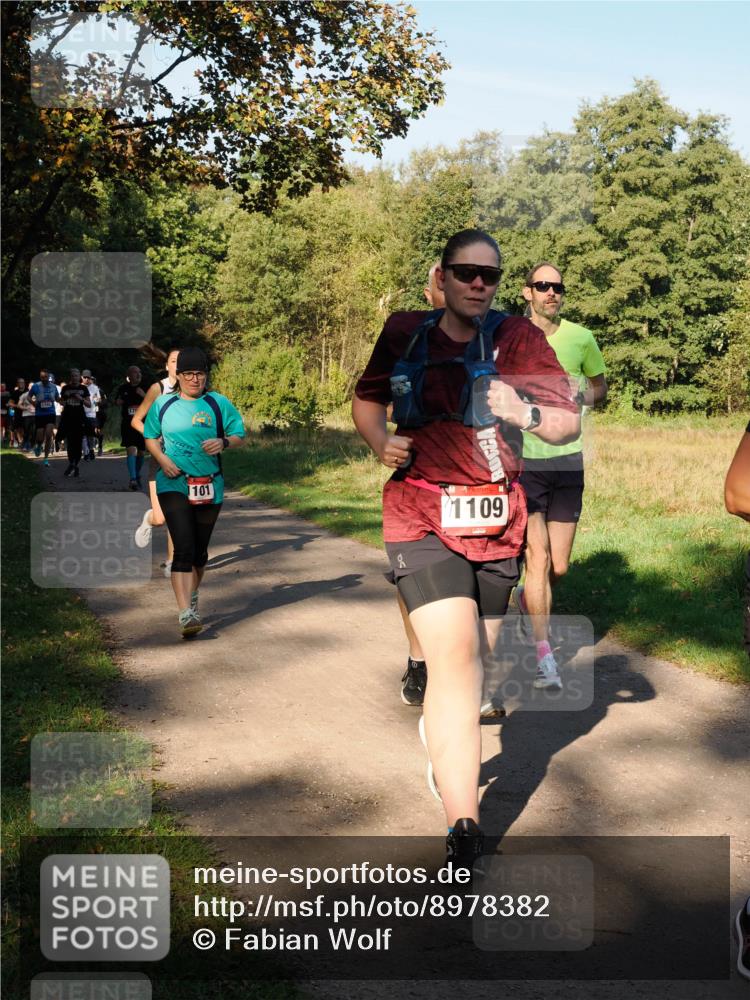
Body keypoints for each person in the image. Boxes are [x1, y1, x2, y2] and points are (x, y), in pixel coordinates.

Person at [352, 229, 579, 867]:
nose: (478, 284)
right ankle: (464, 824)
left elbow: (568, 420)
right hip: (419, 511)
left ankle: (445, 743)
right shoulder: (405, 331)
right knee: (453, 661)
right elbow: (367, 401)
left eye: (490, 275)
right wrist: (381, 443)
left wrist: (524, 412)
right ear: (442, 276)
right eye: (465, 273)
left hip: (496, 519)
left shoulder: (520, 338)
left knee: (474, 663)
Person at [516, 262, 607, 689]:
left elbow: (600, 389)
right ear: (527, 292)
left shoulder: (581, 338)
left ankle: (526, 599)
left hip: (568, 460)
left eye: (557, 287)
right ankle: (544, 656)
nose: (551, 292)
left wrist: (581, 393)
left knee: (560, 565)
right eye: (542, 286)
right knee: (537, 558)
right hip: (524, 462)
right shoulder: (510, 337)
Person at [143, 347, 245, 638]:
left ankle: (192, 595)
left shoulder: (218, 403)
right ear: (178, 375)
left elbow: (239, 434)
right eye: (188, 374)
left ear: (206, 375)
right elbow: (150, 437)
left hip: (209, 484)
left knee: (199, 553)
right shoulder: (163, 404)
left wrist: (224, 442)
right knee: (184, 547)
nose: (194, 379)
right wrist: (163, 460)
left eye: (199, 373)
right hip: (173, 482)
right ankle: (185, 613)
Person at [131, 345, 181, 573]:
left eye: (181, 361)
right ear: (166, 365)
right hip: (159, 458)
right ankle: (149, 519)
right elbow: (136, 420)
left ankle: (173, 561)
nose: (178, 365)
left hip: (183, 460)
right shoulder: (158, 388)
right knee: (161, 518)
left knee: (177, 513)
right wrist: (154, 436)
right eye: (173, 361)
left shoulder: (193, 390)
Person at [114, 366, 147, 490]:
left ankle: (137, 475)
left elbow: (155, 403)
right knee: (131, 449)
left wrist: (144, 395)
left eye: (139, 372)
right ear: (129, 376)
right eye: (135, 372)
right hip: (128, 424)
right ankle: (133, 478)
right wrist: (118, 401)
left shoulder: (146, 387)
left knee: (141, 452)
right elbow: (117, 401)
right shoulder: (123, 388)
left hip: (143, 424)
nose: (138, 374)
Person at [58, 369, 90, 477]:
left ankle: (75, 464)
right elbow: (61, 401)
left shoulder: (83, 388)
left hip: (79, 417)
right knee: (70, 442)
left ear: (79, 377)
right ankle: (72, 463)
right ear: (70, 377)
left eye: (76, 376)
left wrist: (80, 399)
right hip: (68, 417)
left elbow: (89, 404)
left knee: (78, 442)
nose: (74, 378)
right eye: (72, 376)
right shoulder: (65, 388)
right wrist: (63, 400)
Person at [29, 369, 60, 466]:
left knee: (49, 434)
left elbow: (57, 398)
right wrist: (33, 403)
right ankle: (39, 445)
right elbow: (28, 397)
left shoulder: (53, 387)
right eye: (42, 377)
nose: (44, 379)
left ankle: (46, 458)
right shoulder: (36, 386)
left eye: (46, 377)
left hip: (50, 413)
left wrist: (63, 401)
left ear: (48, 377)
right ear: (40, 377)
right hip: (39, 414)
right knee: (40, 437)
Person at [81, 370, 100, 460]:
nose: (86, 379)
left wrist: (97, 400)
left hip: (91, 413)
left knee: (90, 434)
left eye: (88, 377)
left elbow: (98, 399)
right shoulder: (79, 387)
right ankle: (86, 452)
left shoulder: (95, 388)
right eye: (85, 377)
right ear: (82, 377)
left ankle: (91, 450)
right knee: (83, 434)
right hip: (81, 413)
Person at [18, 380, 36, 451]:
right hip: (26, 415)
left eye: (33, 386)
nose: (32, 387)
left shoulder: (38, 394)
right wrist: (26, 408)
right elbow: (19, 405)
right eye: (31, 386)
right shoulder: (24, 395)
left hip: (36, 415)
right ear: (28, 387)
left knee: (34, 431)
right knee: (26, 431)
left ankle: (32, 445)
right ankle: (25, 445)